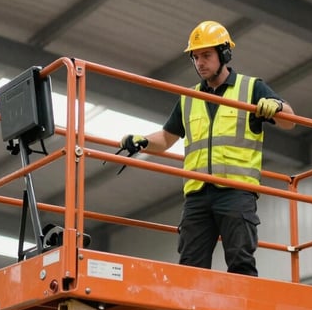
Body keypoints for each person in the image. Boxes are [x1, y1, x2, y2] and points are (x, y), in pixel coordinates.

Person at [120, 20, 295, 276]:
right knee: (190, 266)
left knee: (240, 263)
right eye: (195, 57)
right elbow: (167, 138)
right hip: (197, 194)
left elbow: (290, 121)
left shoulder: (251, 88)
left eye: (206, 55)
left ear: (223, 54)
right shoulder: (189, 97)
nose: (200, 63)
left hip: (237, 192)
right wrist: (143, 141)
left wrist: (277, 107)